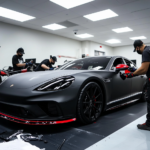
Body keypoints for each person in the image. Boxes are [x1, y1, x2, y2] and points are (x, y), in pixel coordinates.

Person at [125, 40, 150, 130]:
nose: (137, 52)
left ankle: (149, 124)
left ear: (137, 47)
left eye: (136, 50)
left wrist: (131, 74)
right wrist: (134, 70)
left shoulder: (146, 51)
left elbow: (143, 69)